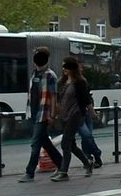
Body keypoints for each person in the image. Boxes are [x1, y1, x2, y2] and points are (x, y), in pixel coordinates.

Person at [19, 46, 63, 182]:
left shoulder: (50, 75)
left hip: (43, 114)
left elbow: (54, 96)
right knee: (45, 143)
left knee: (35, 143)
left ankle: (29, 172)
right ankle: (62, 164)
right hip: (33, 113)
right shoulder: (34, 74)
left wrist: (52, 115)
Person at [51, 56, 94, 181]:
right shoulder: (63, 82)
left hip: (74, 116)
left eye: (66, 66)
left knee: (65, 143)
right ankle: (87, 163)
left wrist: (92, 113)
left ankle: (63, 172)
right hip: (64, 116)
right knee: (71, 145)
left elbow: (86, 100)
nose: (63, 69)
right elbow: (58, 97)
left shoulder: (80, 82)